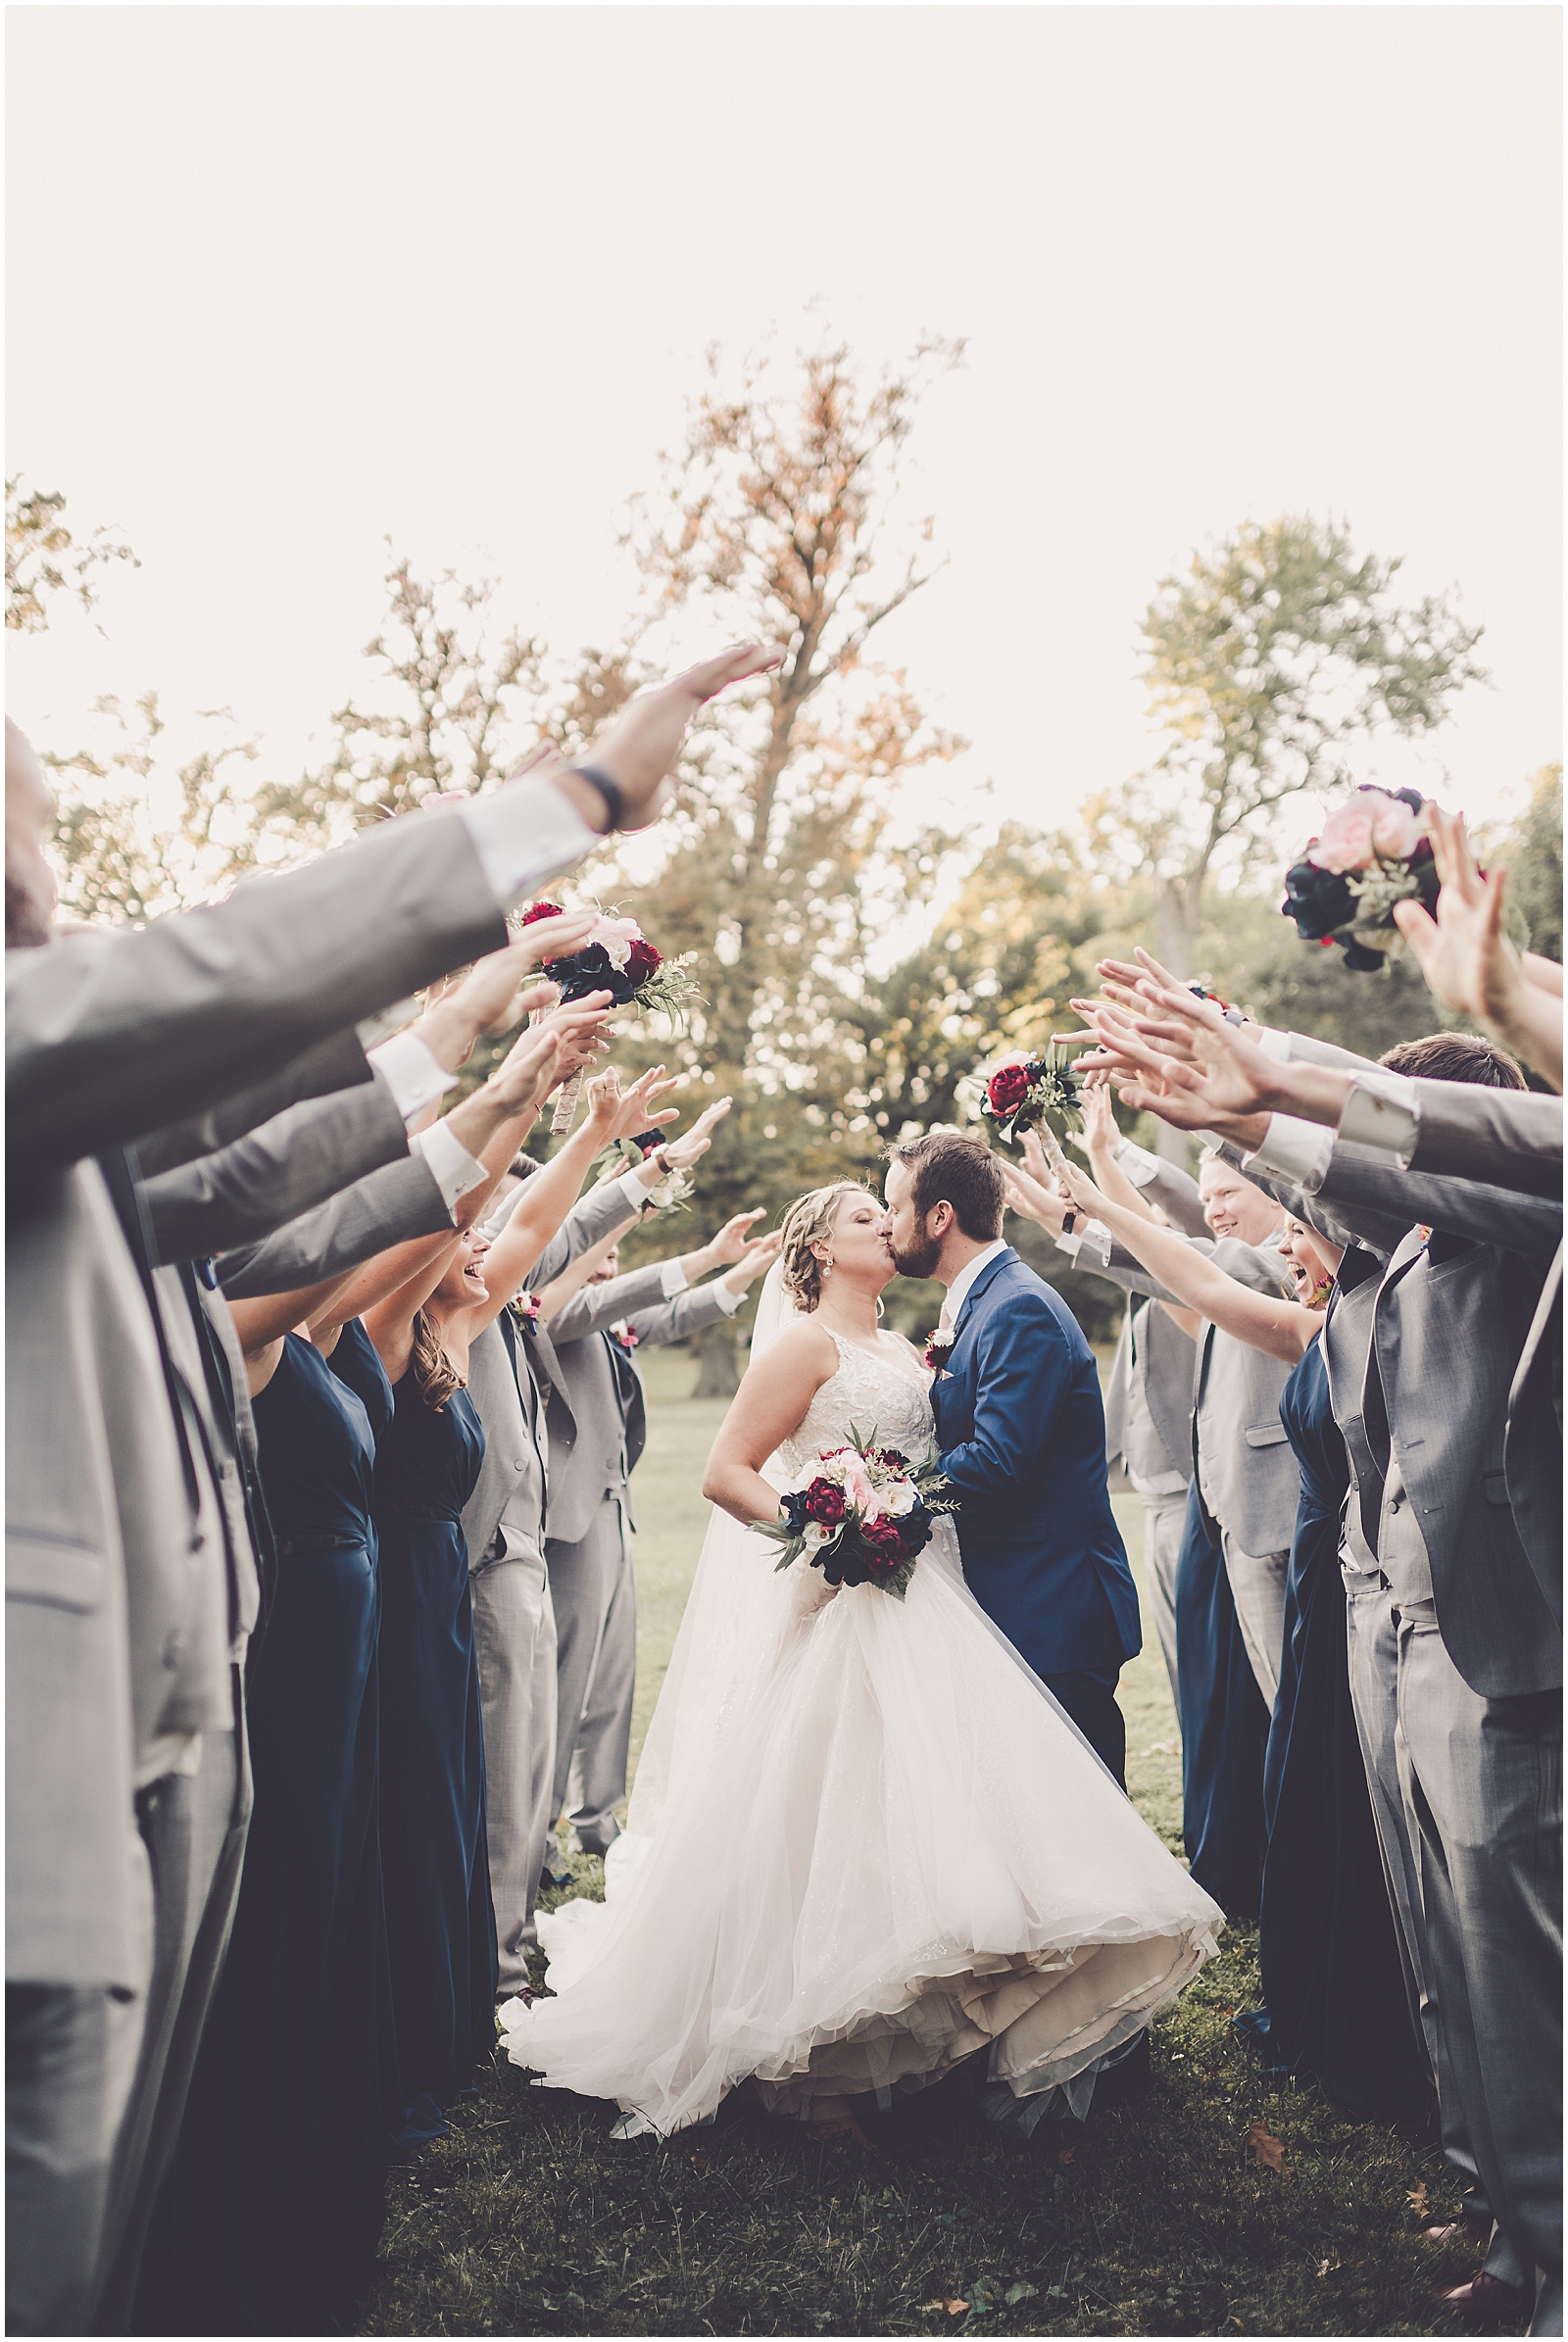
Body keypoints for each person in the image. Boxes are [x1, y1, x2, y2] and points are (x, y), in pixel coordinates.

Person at [5, 644, 778, 2334]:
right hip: (38, 1784)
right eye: (32, 814)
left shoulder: (73, 1142)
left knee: (111, 2241)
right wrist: (570, 804)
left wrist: (490, 1065)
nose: (50, 857)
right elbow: (214, 992)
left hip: (165, 1729)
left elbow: (275, 1165)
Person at [499, 1181, 1220, 2143]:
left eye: (887, 1212)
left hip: (935, 1599)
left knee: (918, 1822)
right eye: (864, 1218)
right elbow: (727, 1471)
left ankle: (915, 2043)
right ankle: (813, 2069)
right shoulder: (805, 1342)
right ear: (824, 1250)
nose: (887, 1223)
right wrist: (822, 1525)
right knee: (823, 1817)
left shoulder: (904, 1347)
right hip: (846, 1601)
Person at [1075, 975, 1562, 2333]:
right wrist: (1232, 1101)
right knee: (1440, 1942)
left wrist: (1282, 1073)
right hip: (1396, 1629)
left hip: (1493, 1638)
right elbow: (1332, 1191)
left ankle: (1550, 2257)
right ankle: (1491, 2194)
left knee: (1514, 1963)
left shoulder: (1520, 1214)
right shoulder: (1394, 1242)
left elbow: (1416, 1160)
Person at [1047, 1149, 1433, 2122]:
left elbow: (1218, 1270)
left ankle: (1414, 2014)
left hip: (1362, 1583)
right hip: (1322, 1581)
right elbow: (1198, 1277)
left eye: (1301, 1228)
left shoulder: (1354, 1321)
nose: (1286, 1243)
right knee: (1316, 1785)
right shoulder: (1321, 1318)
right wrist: (1096, 1203)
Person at [534, 1208, 781, 1867]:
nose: (609, 1266)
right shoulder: (551, 1315)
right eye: (597, 1256)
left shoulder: (605, 1319)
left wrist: (743, 1272)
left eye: (616, 1257)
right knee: (566, 1681)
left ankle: (597, 1816)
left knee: (613, 1677)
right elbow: (617, 1300)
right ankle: (543, 1831)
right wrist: (644, 1227)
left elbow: (665, 1320)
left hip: (614, 1509)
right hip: (570, 1520)